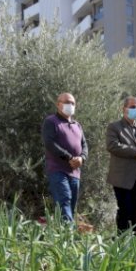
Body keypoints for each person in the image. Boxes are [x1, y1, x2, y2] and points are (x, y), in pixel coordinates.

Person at [106, 96, 136, 236]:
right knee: (124, 210)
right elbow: (112, 146)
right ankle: (121, 244)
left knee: (135, 212)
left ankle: (133, 245)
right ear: (124, 109)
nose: (135, 109)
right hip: (122, 177)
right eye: (132, 106)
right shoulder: (114, 127)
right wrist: (135, 152)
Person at [42, 92, 87, 223]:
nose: (70, 105)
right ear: (58, 104)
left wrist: (82, 158)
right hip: (58, 170)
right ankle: (68, 237)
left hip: (75, 172)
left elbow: (84, 145)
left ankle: (65, 237)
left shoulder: (77, 125)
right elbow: (49, 143)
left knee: (71, 205)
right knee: (64, 200)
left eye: (72, 103)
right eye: (67, 102)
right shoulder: (51, 121)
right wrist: (69, 157)